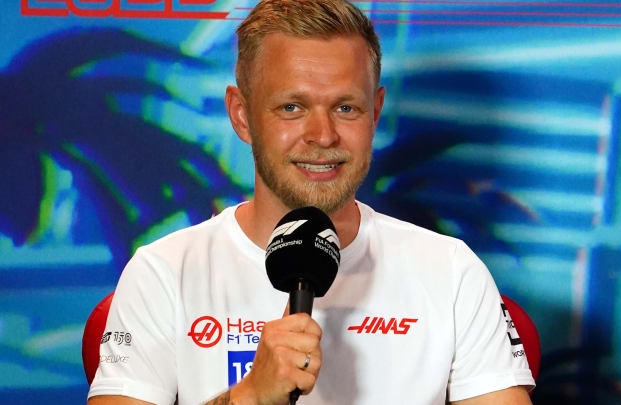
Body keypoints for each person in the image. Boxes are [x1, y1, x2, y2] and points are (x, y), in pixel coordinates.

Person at [87, 1, 535, 404]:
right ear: (242, 115)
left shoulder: (450, 270)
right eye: (291, 108)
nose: (323, 136)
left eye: (345, 108)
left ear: (375, 113)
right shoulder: (165, 271)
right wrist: (250, 397)